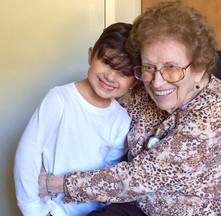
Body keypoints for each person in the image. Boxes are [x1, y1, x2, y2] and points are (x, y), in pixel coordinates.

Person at [38, 2, 221, 215]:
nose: (157, 82)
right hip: (142, 204)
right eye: (149, 67)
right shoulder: (140, 89)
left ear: (199, 67)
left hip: (210, 207)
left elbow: (143, 177)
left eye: (171, 68)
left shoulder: (216, 106)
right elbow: (95, 122)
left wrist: (57, 184)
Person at [14, 22, 138, 216]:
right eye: (106, 62)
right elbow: (27, 155)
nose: (111, 77)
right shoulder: (60, 99)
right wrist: (33, 210)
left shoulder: (121, 120)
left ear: (134, 82)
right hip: (50, 210)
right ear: (90, 56)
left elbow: (107, 175)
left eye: (124, 73)